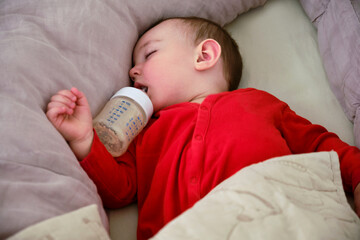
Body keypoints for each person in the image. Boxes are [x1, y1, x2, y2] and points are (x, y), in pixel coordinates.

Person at [46, 17, 360, 240]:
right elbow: (120, 189)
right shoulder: (143, 132)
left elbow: (319, 146)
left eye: (149, 54)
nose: (132, 70)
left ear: (204, 56)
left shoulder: (259, 104)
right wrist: (86, 140)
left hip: (272, 213)